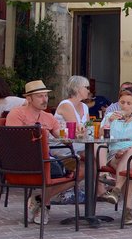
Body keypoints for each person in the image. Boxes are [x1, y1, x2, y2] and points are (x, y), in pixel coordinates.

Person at [6, 80, 79, 225]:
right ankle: (44, 205)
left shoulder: (48, 117)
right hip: (23, 161)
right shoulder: (17, 114)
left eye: (46, 96)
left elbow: (62, 136)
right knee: (63, 166)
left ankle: (41, 199)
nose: (44, 99)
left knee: (82, 168)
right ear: (28, 98)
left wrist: (74, 134)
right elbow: (13, 142)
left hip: (46, 159)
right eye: (40, 96)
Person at [98, 86, 132, 226]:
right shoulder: (111, 117)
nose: (125, 106)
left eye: (129, 103)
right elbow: (100, 137)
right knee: (131, 167)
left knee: (131, 156)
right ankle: (127, 211)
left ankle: (115, 190)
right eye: (122, 102)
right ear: (118, 102)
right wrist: (109, 122)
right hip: (116, 156)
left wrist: (128, 149)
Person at [56, 75, 90, 153]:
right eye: (86, 87)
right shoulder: (66, 105)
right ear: (77, 88)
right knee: (95, 148)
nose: (88, 91)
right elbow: (77, 130)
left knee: (99, 147)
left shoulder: (85, 106)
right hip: (64, 144)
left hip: (79, 143)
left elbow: (88, 128)